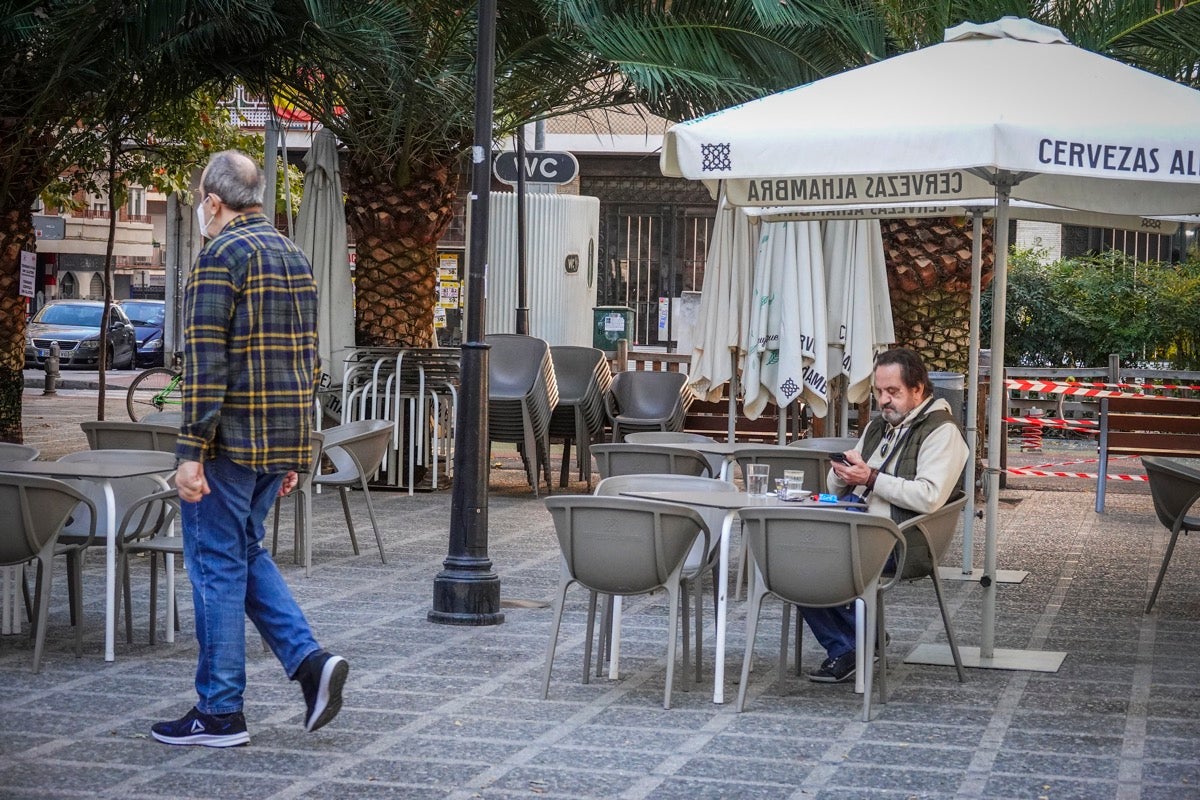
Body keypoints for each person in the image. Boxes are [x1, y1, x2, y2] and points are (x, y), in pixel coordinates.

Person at [152, 150, 348, 747]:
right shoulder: (294, 256)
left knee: (215, 565)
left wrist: (191, 453)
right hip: (280, 439)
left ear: (213, 202)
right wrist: (297, 452)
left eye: (201, 208)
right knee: (241, 552)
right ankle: (310, 664)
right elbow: (306, 361)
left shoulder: (220, 257)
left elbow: (206, 365)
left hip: (228, 444)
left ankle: (219, 710)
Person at [802, 347, 968, 683]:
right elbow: (840, 488)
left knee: (806, 559)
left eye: (893, 392)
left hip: (904, 538)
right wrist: (842, 471)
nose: (884, 400)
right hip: (858, 525)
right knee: (790, 552)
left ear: (918, 389)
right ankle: (856, 640)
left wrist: (871, 478)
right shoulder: (880, 427)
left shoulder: (942, 431)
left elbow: (929, 495)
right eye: (879, 392)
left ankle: (851, 643)